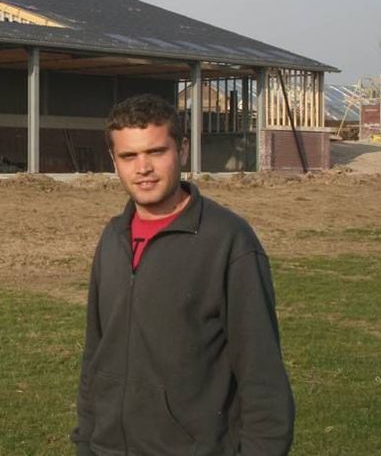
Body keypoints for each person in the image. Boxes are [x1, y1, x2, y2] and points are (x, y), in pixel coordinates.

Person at [71, 94, 294, 455]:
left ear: (183, 150)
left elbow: (262, 376)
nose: (143, 168)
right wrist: (86, 441)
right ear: (114, 161)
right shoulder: (113, 238)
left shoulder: (228, 241)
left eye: (156, 152)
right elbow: (96, 355)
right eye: (129, 156)